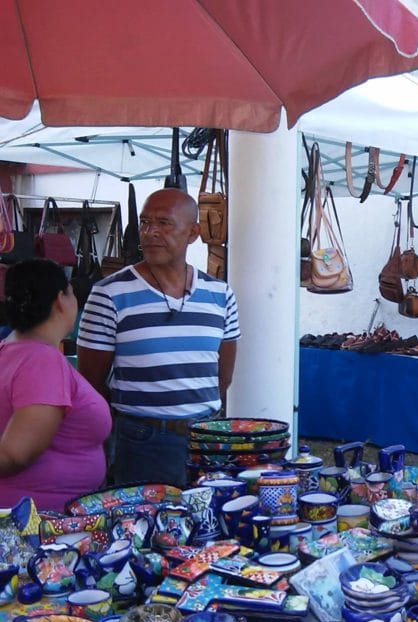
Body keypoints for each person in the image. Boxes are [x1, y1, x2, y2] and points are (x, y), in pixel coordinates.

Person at [77, 189, 240, 488]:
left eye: (164, 223)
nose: (150, 232)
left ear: (193, 233)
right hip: (141, 442)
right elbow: (90, 385)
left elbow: (222, 375)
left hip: (207, 439)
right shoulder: (109, 294)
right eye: (145, 222)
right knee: (149, 530)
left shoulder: (220, 294)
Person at [0, 260, 112, 509]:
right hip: (40, 524)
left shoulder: (11, 349)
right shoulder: (41, 360)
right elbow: (16, 454)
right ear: (61, 299)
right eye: (72, 292)